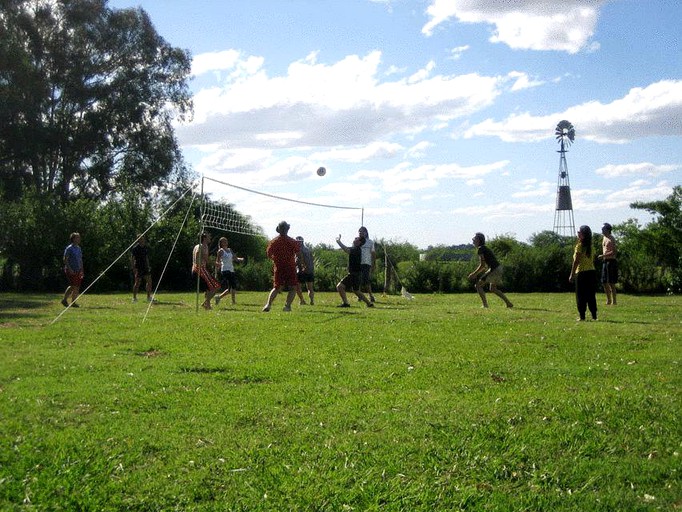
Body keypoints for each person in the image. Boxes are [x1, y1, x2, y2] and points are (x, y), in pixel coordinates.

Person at [262, 221, 302, 312]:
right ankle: (287, 306)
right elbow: (298, 254)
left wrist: (275, 259)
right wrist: (298, 264)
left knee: (276, 287)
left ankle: (268, 305)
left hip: (279, 267)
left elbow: (269, 254)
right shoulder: (292, 241)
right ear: (287, 229)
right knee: (292, 287)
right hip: (290, 267)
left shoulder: (274, 241)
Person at [467, 232, 513, 309]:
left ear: (478, 240)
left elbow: (482, 265)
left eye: (474, 238)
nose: (473, 240)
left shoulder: (480, 249)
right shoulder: (484, 248)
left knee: (478, 285)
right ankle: (509, 303)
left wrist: (474, 274)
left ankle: (485, 305)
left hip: (494, 269)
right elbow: (484, 266)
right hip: (498, 268)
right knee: (493, 288)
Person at [336, 234, 374, 308]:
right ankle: (369, 303)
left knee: (339, 286)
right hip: (357, 273)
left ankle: (346, 303)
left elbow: (346, 250)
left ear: (359, 242)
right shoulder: (356, 249)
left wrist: (338, 241)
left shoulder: (356, 249)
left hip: (354, 274)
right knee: (356, 291)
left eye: (357, 238)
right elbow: (346, 248)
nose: (355, 238)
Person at [569, 225, 598, 321]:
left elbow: (576, 261)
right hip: (591, 272)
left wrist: (572, 274)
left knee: (581, 295)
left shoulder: (579, 246)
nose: (577, 234)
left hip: (581, 272)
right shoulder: (591, 246)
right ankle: (594, 315)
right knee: (591, 295)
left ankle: (582, 316)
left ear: (583, 235)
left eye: (579, 232)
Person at [192, 232, 220, 310]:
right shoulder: (201, 246)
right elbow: (204, 258)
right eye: (208, 236)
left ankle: (207, 304)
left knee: (210, 288)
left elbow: (204, 258)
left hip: (201, 269)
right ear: (204, 238)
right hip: (199, 269)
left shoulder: (203, 246)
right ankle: (206, 304)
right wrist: (216, 264)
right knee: (215, 287)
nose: (210, 237)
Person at [214, 237, 243, 306]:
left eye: (226, 241)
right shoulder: (220, 251)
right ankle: (233, 302)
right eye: (223, 241)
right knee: (233, 285)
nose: (225, 242)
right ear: (221, 243)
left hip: (231, 269)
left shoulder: (230, 250)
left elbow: (235, 258)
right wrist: (217, 268)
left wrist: (240, 259)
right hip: (225, 270)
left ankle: (218, 297)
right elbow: (217, 261)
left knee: (230, 288)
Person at [61, 232, 83, 308]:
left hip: (78, 270)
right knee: (73, 285)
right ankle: (65, 300)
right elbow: (65, 260)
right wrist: (70, 269)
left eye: (79, 237)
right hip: (70, 270)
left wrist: (82, 270)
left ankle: (73, 302)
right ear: (73, 239)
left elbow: (80, 260)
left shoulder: (79, 248)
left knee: (76, 286)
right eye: (77, 237)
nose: (79, 239)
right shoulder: (69, 248)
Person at [598, 222, 618, 306]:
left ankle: (614, 301)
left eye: (603, 229)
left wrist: (603, 255)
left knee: (611, 282)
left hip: (611, 262)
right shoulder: (604, 238)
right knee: (604, 282)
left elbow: (614, 252)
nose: (602, 230)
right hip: (605, 261)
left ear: (608, 230)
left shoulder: (611, 239)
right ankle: (608, 300)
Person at [131, 234, 154, 303]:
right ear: (138, 240)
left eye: (143, 238)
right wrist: (133, 268)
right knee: (137, 283)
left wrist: (148, 265)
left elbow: (146, 258)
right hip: (138, 267)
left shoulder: (145, 248)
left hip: (145, 267)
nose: (142, 240)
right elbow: (132, 258)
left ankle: (148, 297)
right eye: (140, 238)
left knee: (149, 281)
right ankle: (134, 298)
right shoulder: (135, 248)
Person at [358, 226, 376, 302]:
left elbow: (373, 253)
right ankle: (359, 296)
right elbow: (351, 252)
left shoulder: (370, 242)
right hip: (358, 263)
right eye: (359, 232)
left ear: (366, 233)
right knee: (358, 280)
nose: (360, 233)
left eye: (362, 232)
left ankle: (371, 296)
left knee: (366, 281)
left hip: (366, 263)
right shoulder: (356, 241)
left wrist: (373, 264)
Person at [295, 236, 315, 305]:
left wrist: (303, 266)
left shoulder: (298, 250)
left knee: (298, 287)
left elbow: (301, 259)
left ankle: (302, 300)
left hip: (301, 270)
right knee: (310, 287)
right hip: (310, 270)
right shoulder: (308, 249)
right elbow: (312, 259)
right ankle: (312, 301)